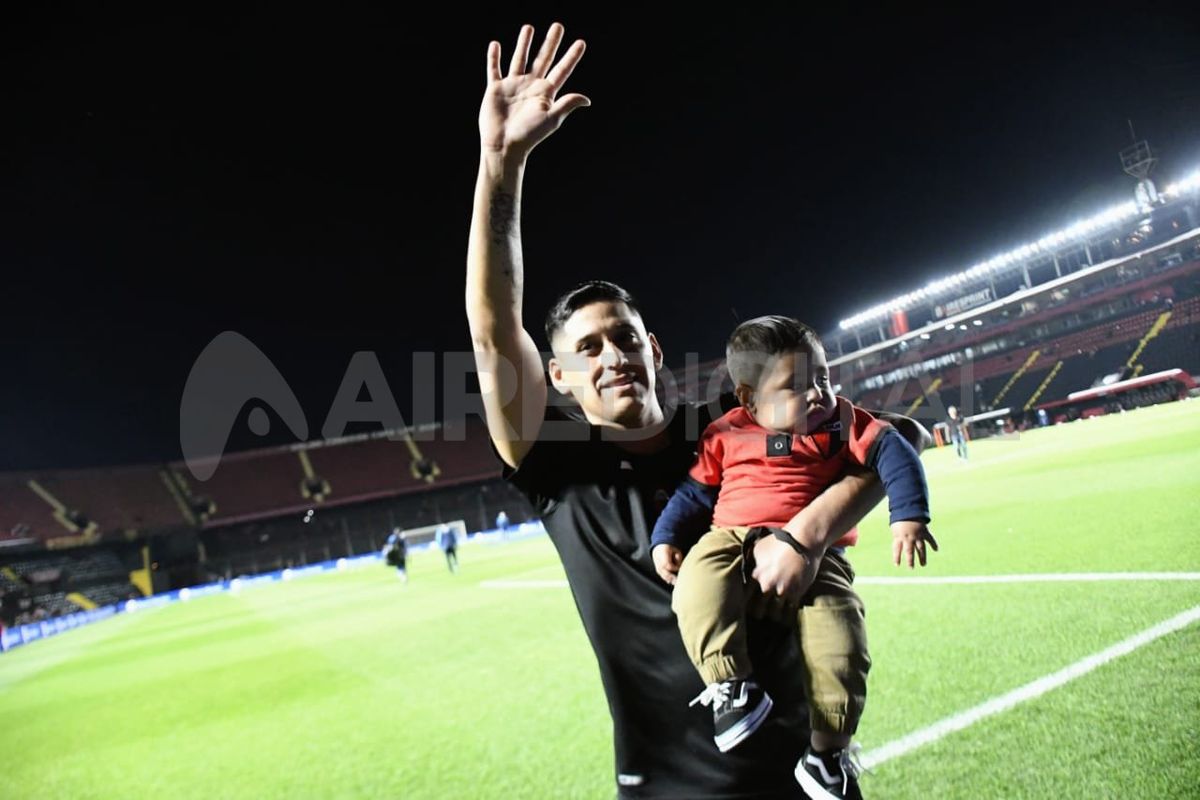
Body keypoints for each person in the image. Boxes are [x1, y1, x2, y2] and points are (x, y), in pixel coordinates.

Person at [466, 22, 931, 798]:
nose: (610, 355)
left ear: (652, 347)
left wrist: (807, 533)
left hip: (805, 772)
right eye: (587, 348)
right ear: (559, 376)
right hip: (671, 787)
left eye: (623, 338)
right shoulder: (557, 468)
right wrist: (500, 165)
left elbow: (898, 435)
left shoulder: (737, 428)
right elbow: (489, 328)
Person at [650, 316, 934, 800]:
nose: (818, 393)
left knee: (842, 639)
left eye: (822, 377)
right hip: (730, 538)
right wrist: (665, 538)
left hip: (822, 559)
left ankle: (828, 754)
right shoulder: (724, 433)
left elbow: (897, 448)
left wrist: (909, 514)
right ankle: (732, 686)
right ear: (748, 398)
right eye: (796, 386)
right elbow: (693, 495)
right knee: (696, 586)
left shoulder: (843, 422)